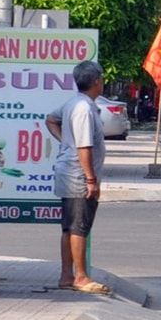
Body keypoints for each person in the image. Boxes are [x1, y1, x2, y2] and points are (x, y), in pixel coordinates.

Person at [46, 60, 110, 294]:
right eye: (101, 78)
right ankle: (80, 276)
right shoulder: (82, 108)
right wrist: (91, 180)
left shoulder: (77, 103)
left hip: (71, 172)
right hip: (77, 176)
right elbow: (84, 146)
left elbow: (51, 119)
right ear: (96, 82)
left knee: (70, 227)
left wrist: (64, 141)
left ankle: (66, 275)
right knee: (78, 227)